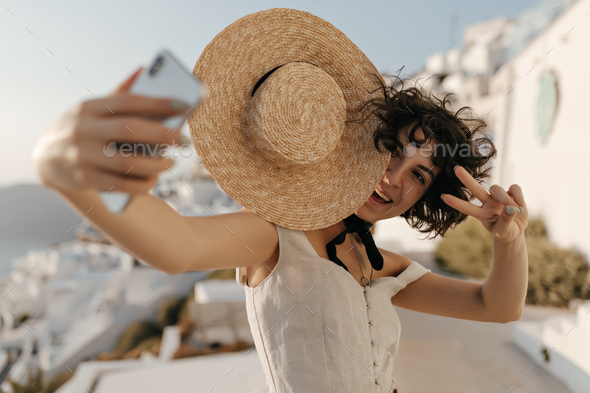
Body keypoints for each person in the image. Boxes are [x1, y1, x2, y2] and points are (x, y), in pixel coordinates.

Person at [32, 8, 529, 393]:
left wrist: (509, 240)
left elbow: (497, 307)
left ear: (427, 196)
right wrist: (64, 171)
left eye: (418, 173)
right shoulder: (276, 238)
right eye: (391, 151)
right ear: (355, 146)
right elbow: (175, 245)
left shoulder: (382, 265)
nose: (394, 177)